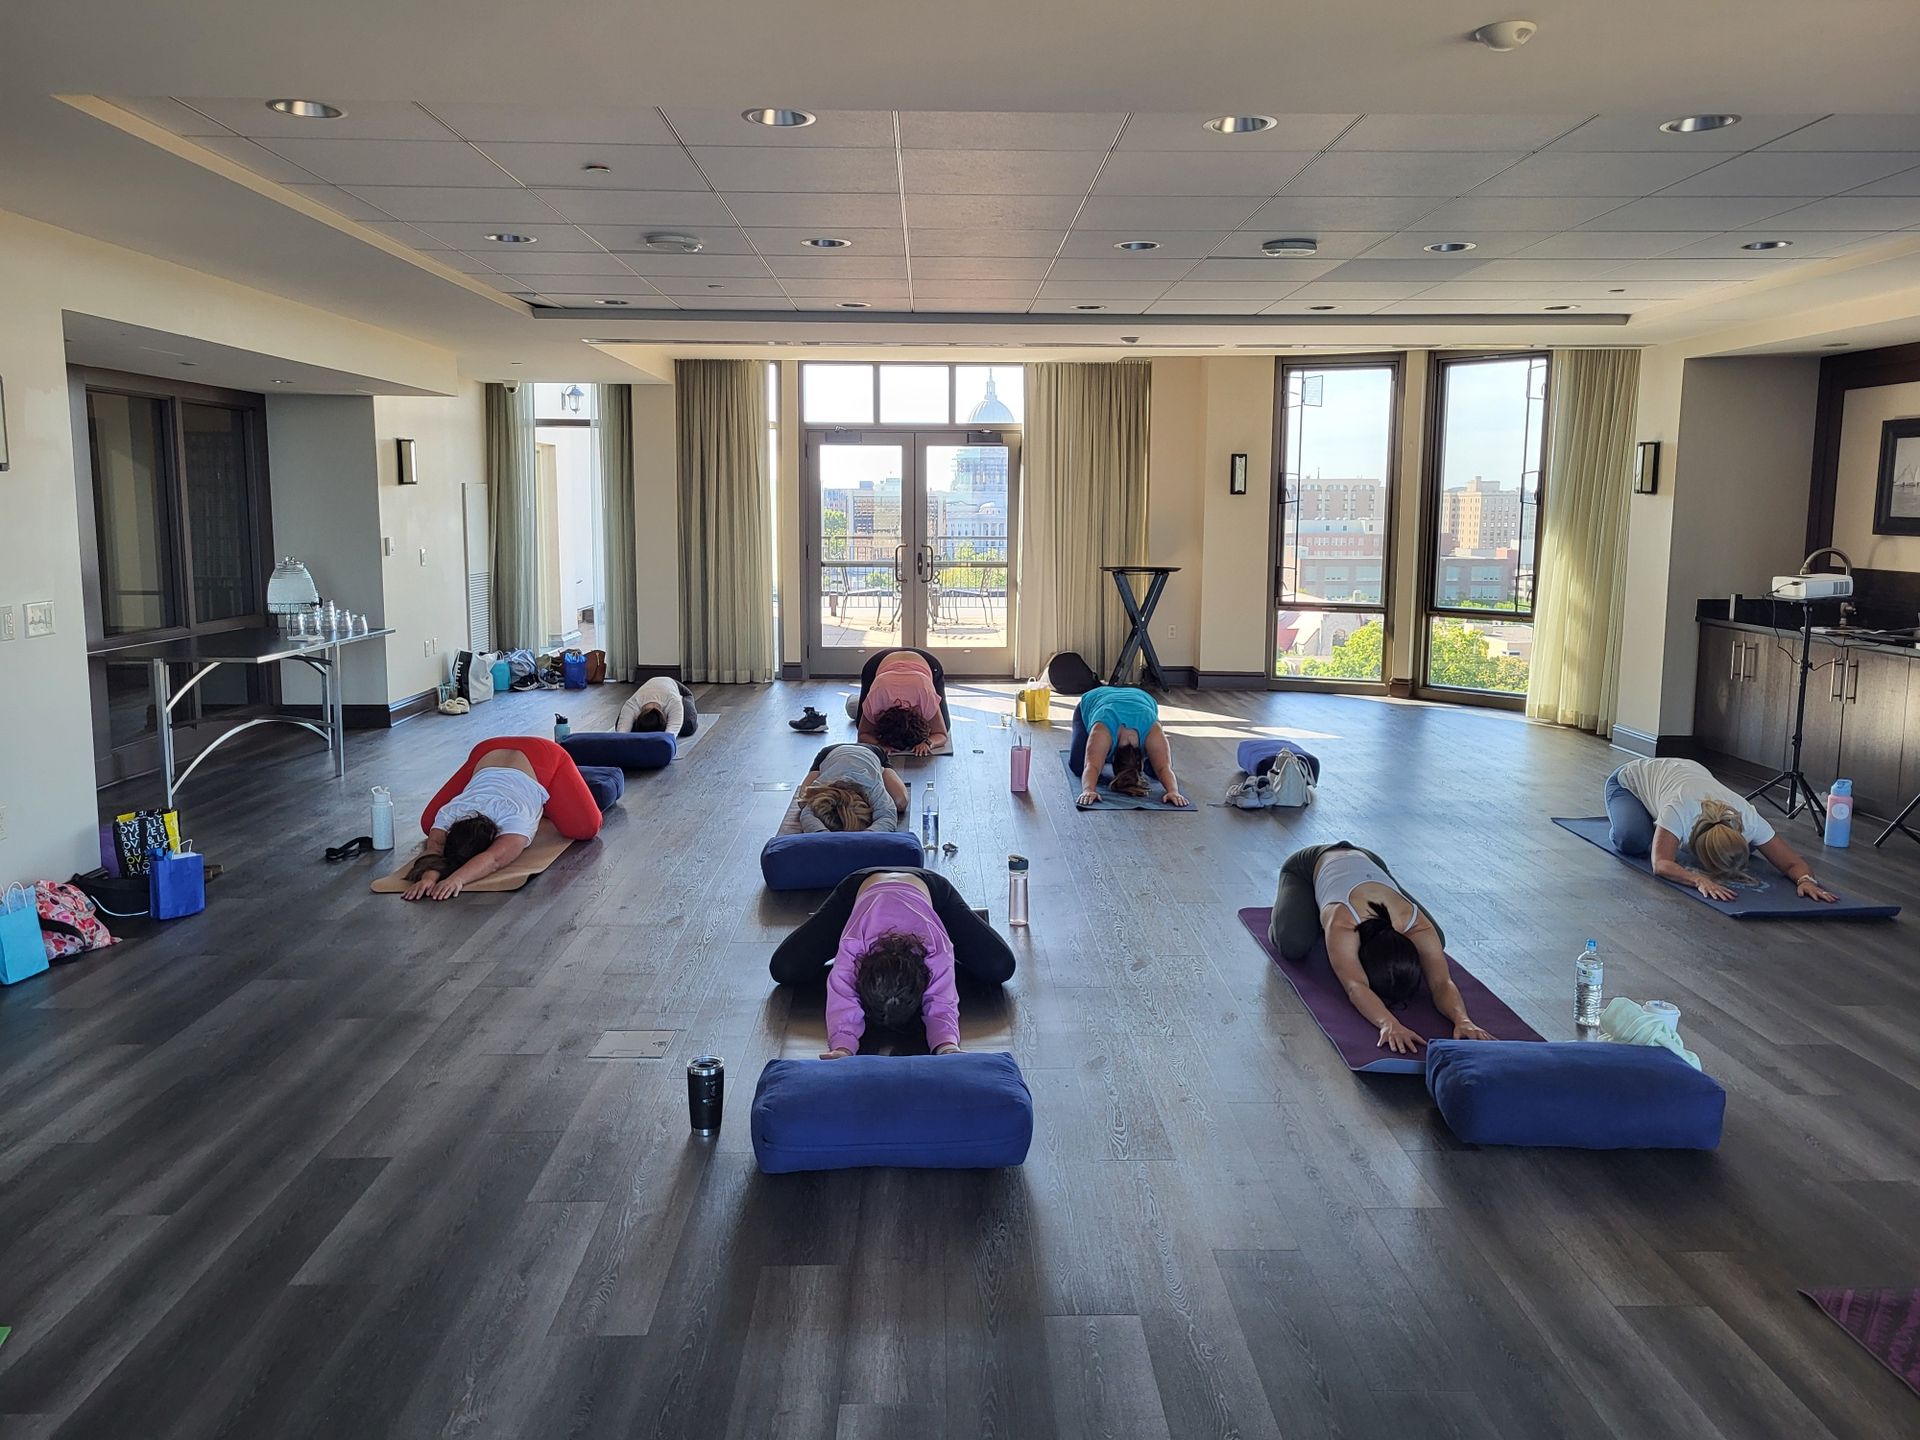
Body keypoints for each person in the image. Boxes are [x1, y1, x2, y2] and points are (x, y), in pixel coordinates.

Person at [1269, 841, 1494, 1057]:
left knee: (1438, 941)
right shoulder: (1344, 920)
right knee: (1293, 944)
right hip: (1309, 864)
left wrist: (1462, 1019)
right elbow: (1356, 985)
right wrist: (1388, 1023)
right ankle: (1305, 912)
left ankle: (1328, 911)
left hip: (1370, 861)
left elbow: (1441, 982)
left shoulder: (1416, 924)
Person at [769, 867, 1016, 1058]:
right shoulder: (854, 944)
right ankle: (948, 969)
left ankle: (951, 964)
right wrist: (842, 1047)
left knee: (1000, 966)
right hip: (859, 892)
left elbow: (942, 1004)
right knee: (785, 967)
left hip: (929, 892)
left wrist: (947, 1045)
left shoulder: (934, 947)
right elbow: (841, 997)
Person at [1605, 757, 1837, 903]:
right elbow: (1661, 864)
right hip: (1629, 779)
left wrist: (1806, 881)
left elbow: (1792, 863)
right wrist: (1697, 880)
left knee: (1749, 848)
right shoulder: (1679, 810)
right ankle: (1642, 810)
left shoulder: (1749, 819)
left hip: (1691, 770)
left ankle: (1654, 818)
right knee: (1632, 841)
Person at [405, 736, 601, 901]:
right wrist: (428, 878)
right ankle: (545, 804)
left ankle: (546, 801)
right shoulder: (450, 812)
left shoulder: (515, 819)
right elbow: (435, 847)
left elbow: (493, 859)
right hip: (487, 753)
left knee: (586, 827)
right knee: (428, 822)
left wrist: (456, 879)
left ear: (495, 840)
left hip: (542, 756)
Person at [1070, 685, 1189, 808]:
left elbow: (1164, 767)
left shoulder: (1152, 731)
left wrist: (1173, 791)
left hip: (1140, 699)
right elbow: (1092, 766)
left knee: (1157, 771)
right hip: (1094, 700)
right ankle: (1102, 754)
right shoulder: (1102, 730)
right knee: (1078, 766)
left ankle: (1150, 758)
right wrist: (1088, 790)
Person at [848, 647, 950, 755]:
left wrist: (928, 743)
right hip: (879, 666)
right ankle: (856, 701)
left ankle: (858, 702)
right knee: (857, 717)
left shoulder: (925, 696)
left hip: (923, 667)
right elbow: (863, 734)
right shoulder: (878, 698)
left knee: (945, 726)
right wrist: (879, 745)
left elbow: (941, 734)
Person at [797, 741, 910, 833]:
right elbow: (807, 814)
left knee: (900, 803)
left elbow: (888, 816)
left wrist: (867, 835)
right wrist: (823, 833)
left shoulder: (870, 785)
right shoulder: (820, 787)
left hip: (871, 752)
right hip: (829, 755)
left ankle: (881, 768)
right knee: (803, 801)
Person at [616, 676, 699, 738]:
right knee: (619, 724)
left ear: (666, 719)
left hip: (677, 689)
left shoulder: (673, 701)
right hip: (651, 685)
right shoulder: (632, 704)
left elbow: (670, 735)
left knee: (688, 726)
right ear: (637, 717)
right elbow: (621, 736)